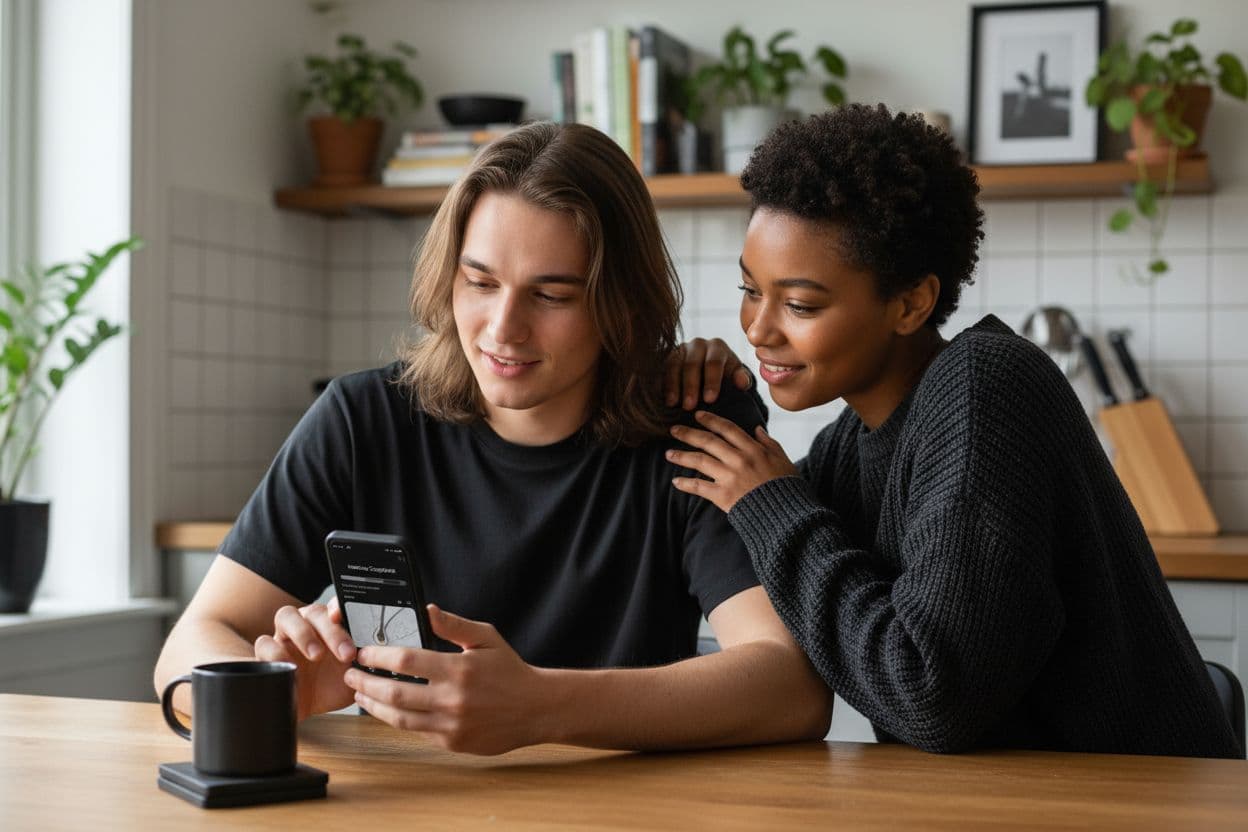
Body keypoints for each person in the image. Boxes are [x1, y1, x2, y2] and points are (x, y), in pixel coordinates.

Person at [153, 121, 831, 756]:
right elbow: (194, 643)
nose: (503, 328)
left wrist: (542, 707)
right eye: (479, 281)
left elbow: (792, 689)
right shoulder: (361, 420)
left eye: (552, 296)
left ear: (620, 303)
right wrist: (274, 695)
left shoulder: (692, 426)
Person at [664, 104, 1241, 758]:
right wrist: (720, 395)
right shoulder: (850, 444)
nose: (758, 328)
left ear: (911, 303)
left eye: (800, 304)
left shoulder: (985, 388)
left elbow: (931, 696)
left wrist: (768, 500)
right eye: (750, 290)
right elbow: (770, 528)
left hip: (1145, 800)